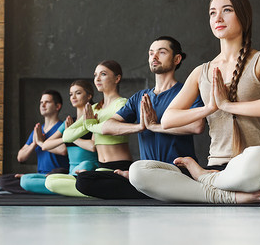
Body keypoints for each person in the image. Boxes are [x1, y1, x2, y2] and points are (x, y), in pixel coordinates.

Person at [129, 0, 260, 204]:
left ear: (243, 16)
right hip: (217, 164)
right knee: (138, 171)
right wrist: (210, 108)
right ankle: (225, 194)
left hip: (253, 165)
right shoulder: (201, 71)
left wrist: (227, 105)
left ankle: (204, 180)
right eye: (212, 13)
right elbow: (168, 119)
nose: (218, 18)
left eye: (227, 10)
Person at [79, 36, 204, 199]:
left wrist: (155, 126)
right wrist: (139, 127)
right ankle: (143, 185)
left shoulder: (186, 92)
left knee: (135, 175)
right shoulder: (140, 97)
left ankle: (146, 185)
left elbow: (197, 126)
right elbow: (108, 126)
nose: (154, 57)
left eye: (162, 52)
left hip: (177, 172)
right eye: (151, 53)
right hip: (146, 173)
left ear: (177, 59)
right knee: (84, 180)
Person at [51, 60, 135, 198]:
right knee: (51, 181)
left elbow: (108, 128)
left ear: (117, 78)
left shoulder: (122, 103)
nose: (97, 78)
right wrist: (89, 124)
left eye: (103, 74)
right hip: (101, 167)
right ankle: (97, 190)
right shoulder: (94, 108)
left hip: (119, 166)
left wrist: (90, 125)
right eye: (95, 75)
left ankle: (95, 188)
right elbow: (67, 135)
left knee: (83, 181)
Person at [31, 80, 99, 196]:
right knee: (26, 180)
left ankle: (68, 187)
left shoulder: (93, 117)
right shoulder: (69, 122)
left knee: (85, 165)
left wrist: (71, 137)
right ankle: (73, 187)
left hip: (88, 167)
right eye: (71, 94)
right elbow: (46, 145)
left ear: (89, 96)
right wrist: (41, 141)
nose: (73, 97)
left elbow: (92, 146)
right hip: (71, 172)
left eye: (77, 93)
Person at [0, 90, 69, 194]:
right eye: (41, 102)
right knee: (4, 181)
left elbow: (63, 150)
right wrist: (34, 143)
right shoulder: (38, 130)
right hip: (39, 175)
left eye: (47, 102)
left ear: (57, 106)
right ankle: (38, 185)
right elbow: (20, 157)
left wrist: (42, 142)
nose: (43, 105)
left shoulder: (62, 127)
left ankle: (35, 185)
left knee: (59, 173)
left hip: (57, 174)